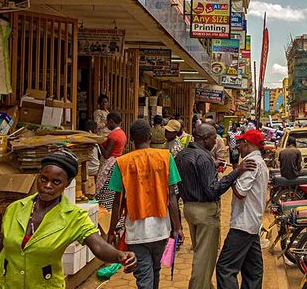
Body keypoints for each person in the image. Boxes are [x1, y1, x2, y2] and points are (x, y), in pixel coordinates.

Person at [0, 150, 137, 289]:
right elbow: (3, 250)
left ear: (67, 184)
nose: (47, 186)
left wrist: (119, 255)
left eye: (56, 182)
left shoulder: (73, 217)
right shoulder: (14, 208)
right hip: (4, 284)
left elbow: (98, 246)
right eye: (43, 179)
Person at [176, 124, 256, 289]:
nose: (216, 141)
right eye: (214, 138)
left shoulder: (182, 155)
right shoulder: (203, 157)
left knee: (201, 253)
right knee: (204, 260)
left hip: (189, 209)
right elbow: (213, 190)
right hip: (205, 211)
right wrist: (236, 172)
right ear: (205, 138)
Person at [107, 120, 183, 289]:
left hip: (136, 233)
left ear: (131, 139)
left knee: (144, 278)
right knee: (155, 271)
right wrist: (177, 227)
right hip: (161, 229)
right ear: (150, 136)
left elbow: (117, 202)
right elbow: (172, 196)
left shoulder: (122, 162)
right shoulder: (165, 157)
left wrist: (112, 230)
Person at [217, 130, 269, 289]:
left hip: (243, 224)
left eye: (240, 143)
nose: (238, 146)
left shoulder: (250, 163)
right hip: (252, 223)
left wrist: (235, 173)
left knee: (225, 268)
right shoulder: (259, 162)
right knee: (253, 270)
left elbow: (240, 192)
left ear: (247, 144)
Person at [96, 112, 128, 210]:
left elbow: (106, 155)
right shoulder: (122, 133)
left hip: (110, 165)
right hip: (118, 163)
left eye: (107, 122)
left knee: (104, 194)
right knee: (112, 193)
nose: (106, 124)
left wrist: (98, 142)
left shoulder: (113, 135)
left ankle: (105, 217)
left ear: (111, 121)